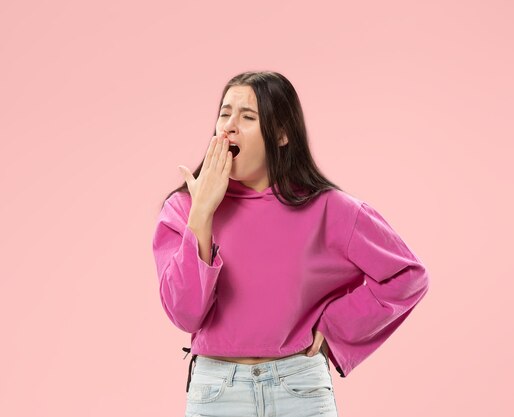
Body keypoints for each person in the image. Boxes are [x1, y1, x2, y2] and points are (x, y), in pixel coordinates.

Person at [151, 71, 430, 417]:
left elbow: (407, 275)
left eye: (248, 117)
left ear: (281, 134)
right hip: (216, 394)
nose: (229, 126)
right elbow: (185, 313)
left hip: (299, 388)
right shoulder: (183, 209)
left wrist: (335, 327)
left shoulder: (329, 209)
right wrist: (202, 213)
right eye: (225, 114)